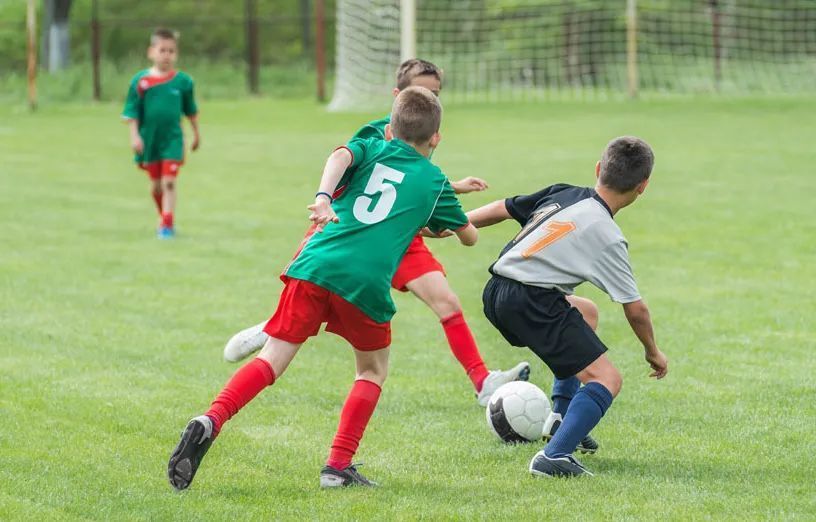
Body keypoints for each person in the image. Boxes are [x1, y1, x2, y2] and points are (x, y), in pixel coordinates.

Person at [167, 87, 478, 490]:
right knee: (371, 369)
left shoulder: (371, 145)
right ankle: (337, 466)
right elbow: (467, 236)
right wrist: (441, 224)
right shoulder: (436, 181)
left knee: (272, 358)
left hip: (315, 262)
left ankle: (211, 418)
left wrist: (323, 197)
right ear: (436, 138)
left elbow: (339, 156)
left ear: (390, 128)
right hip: (363, 283)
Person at [223, 59, 528, 405]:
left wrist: (455, 187)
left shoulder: (423, 129)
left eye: (436, 93)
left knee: (447, 302)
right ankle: (272, 329)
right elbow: (353, 173)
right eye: (422, 92)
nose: (431, 99)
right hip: (359, 235)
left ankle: (482, 381)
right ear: (398, 95)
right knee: (346, 328)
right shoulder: (376, 133)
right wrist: (322, 205)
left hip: (401, 236)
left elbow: (416, 185)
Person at [466, 136, 669, 477]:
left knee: (585, 312)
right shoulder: (607, 235)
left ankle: (561, 416)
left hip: (496, 292)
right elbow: (636, 310)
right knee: (607, 379)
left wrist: (456, 222)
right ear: (642, 186)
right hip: (529, 301)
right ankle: (553, 457)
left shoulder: (564, 192)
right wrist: (653, 352)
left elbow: (503, 207)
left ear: (598, 169)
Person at [121, 28, 200, 239]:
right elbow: (132, 111)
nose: (166, 55)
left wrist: (196, 134)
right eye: (162, 50)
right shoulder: (141, 81)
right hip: (150, 140)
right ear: (151, 52)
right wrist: (135, 136)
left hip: (173, 138)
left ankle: (167, 222)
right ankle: (163, 215)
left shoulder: (183, 82)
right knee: (156, 185)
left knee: (169, 181)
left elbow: (190, 110)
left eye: (171, 51)